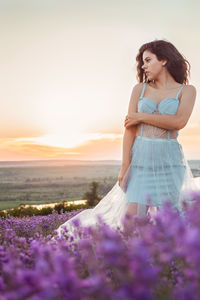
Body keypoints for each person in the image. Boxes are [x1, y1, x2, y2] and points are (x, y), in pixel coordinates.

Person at [54, 39, 200, 239]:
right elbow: (130, 130)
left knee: (172, 219)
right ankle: (128, 264)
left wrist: (141, 116)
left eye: (148, 60)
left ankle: (168, 263)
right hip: (141, 160)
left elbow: (179, 121)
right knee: (131, 222)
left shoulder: (187, 90)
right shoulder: (139, 90)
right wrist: (125, 165)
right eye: (142, 62)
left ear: (164, 60)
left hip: (169, 160)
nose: (143, 66)